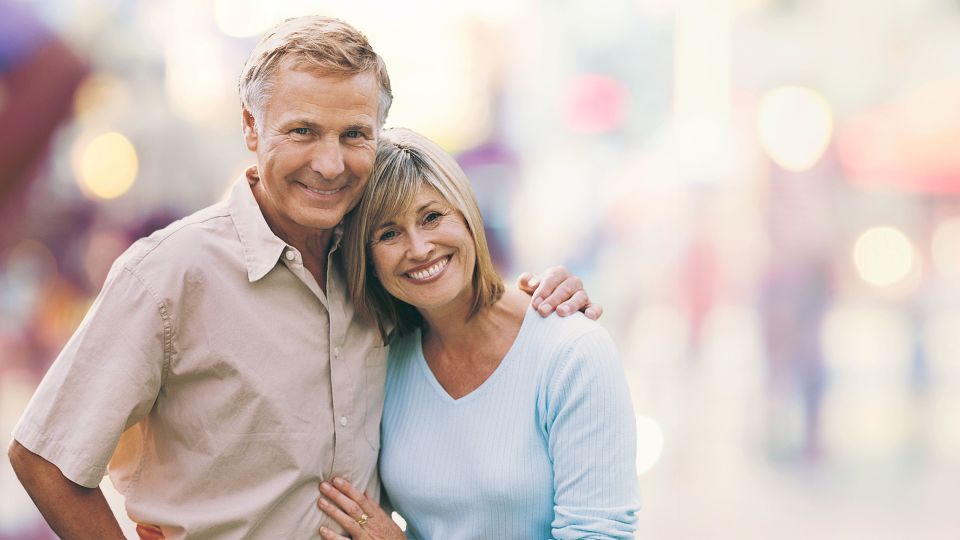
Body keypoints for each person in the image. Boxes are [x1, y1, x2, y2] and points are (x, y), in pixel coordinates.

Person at [6, 16, 600, 539]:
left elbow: (472, 318)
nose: (330, 163)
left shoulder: (381, 266)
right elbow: (45, 458)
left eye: (354, 135)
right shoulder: (168, 274)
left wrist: (545, 299)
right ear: (250, 128)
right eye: (302, 131)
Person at [315, 128, 639, 539]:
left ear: (468, 216)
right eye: (389, 233)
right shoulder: (384, 358)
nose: (418, 248)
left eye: (432, 216)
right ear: (368, 260)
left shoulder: (572, 352)